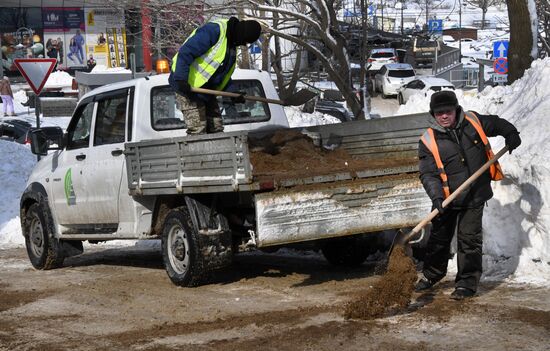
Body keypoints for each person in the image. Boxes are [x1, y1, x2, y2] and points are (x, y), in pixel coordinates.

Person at [415, 90, 522, 300]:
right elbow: (428, 173)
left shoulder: (473, 121)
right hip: (446, 198)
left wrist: (511, 132)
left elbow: (496, 123)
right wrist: (437, 198)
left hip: (474, 194)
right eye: (439, 113)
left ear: (455, 110)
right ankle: (431, 275)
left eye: (447, 111)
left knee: (469, 240)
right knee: (439, 239)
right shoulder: (428, 140)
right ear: (433, 114)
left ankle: (466, 284)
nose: (444, 116)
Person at [169, 17, 262, 134]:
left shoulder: (232, 44)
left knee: (216, 128)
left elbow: (221, 75)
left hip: (206, 91)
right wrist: (181, 79)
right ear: (242, 34)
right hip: (187, 87)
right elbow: (185, 52)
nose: (243, 44)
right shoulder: (214, 31)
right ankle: (197, 152)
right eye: (245, 41)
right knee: (198, 129)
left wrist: (233, 93)